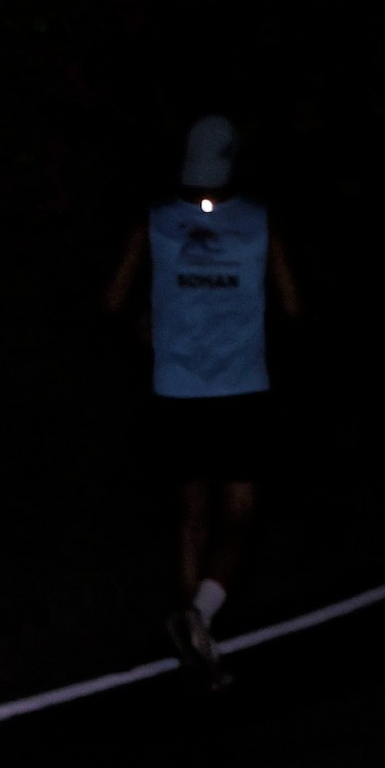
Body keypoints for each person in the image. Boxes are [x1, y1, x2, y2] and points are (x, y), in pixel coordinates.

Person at [101, 113, 302, 686]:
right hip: (241, 388)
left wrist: (149, 319)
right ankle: (200, 620)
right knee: (238, 519)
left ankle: (196, 633)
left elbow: (111, 300)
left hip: (177, 390)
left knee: (190, 518)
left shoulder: (153, 221)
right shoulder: (260, 220)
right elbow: (292, 306)